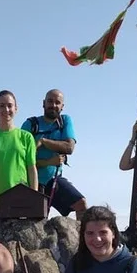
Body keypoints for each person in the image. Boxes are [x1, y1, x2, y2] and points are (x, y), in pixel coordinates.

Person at [21, 89, 87, 219]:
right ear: (43, 103)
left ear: (62, 106)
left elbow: (69, 147)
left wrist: (43, 142)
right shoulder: (30, 125)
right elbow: (21, 161)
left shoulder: (64, 121)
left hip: (54, 180)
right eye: (50, 101)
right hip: (33, 182)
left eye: (57, 102)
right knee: (38, 220)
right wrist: (48, 162)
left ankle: (82, 232)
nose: (53, 105)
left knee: (81, 204)